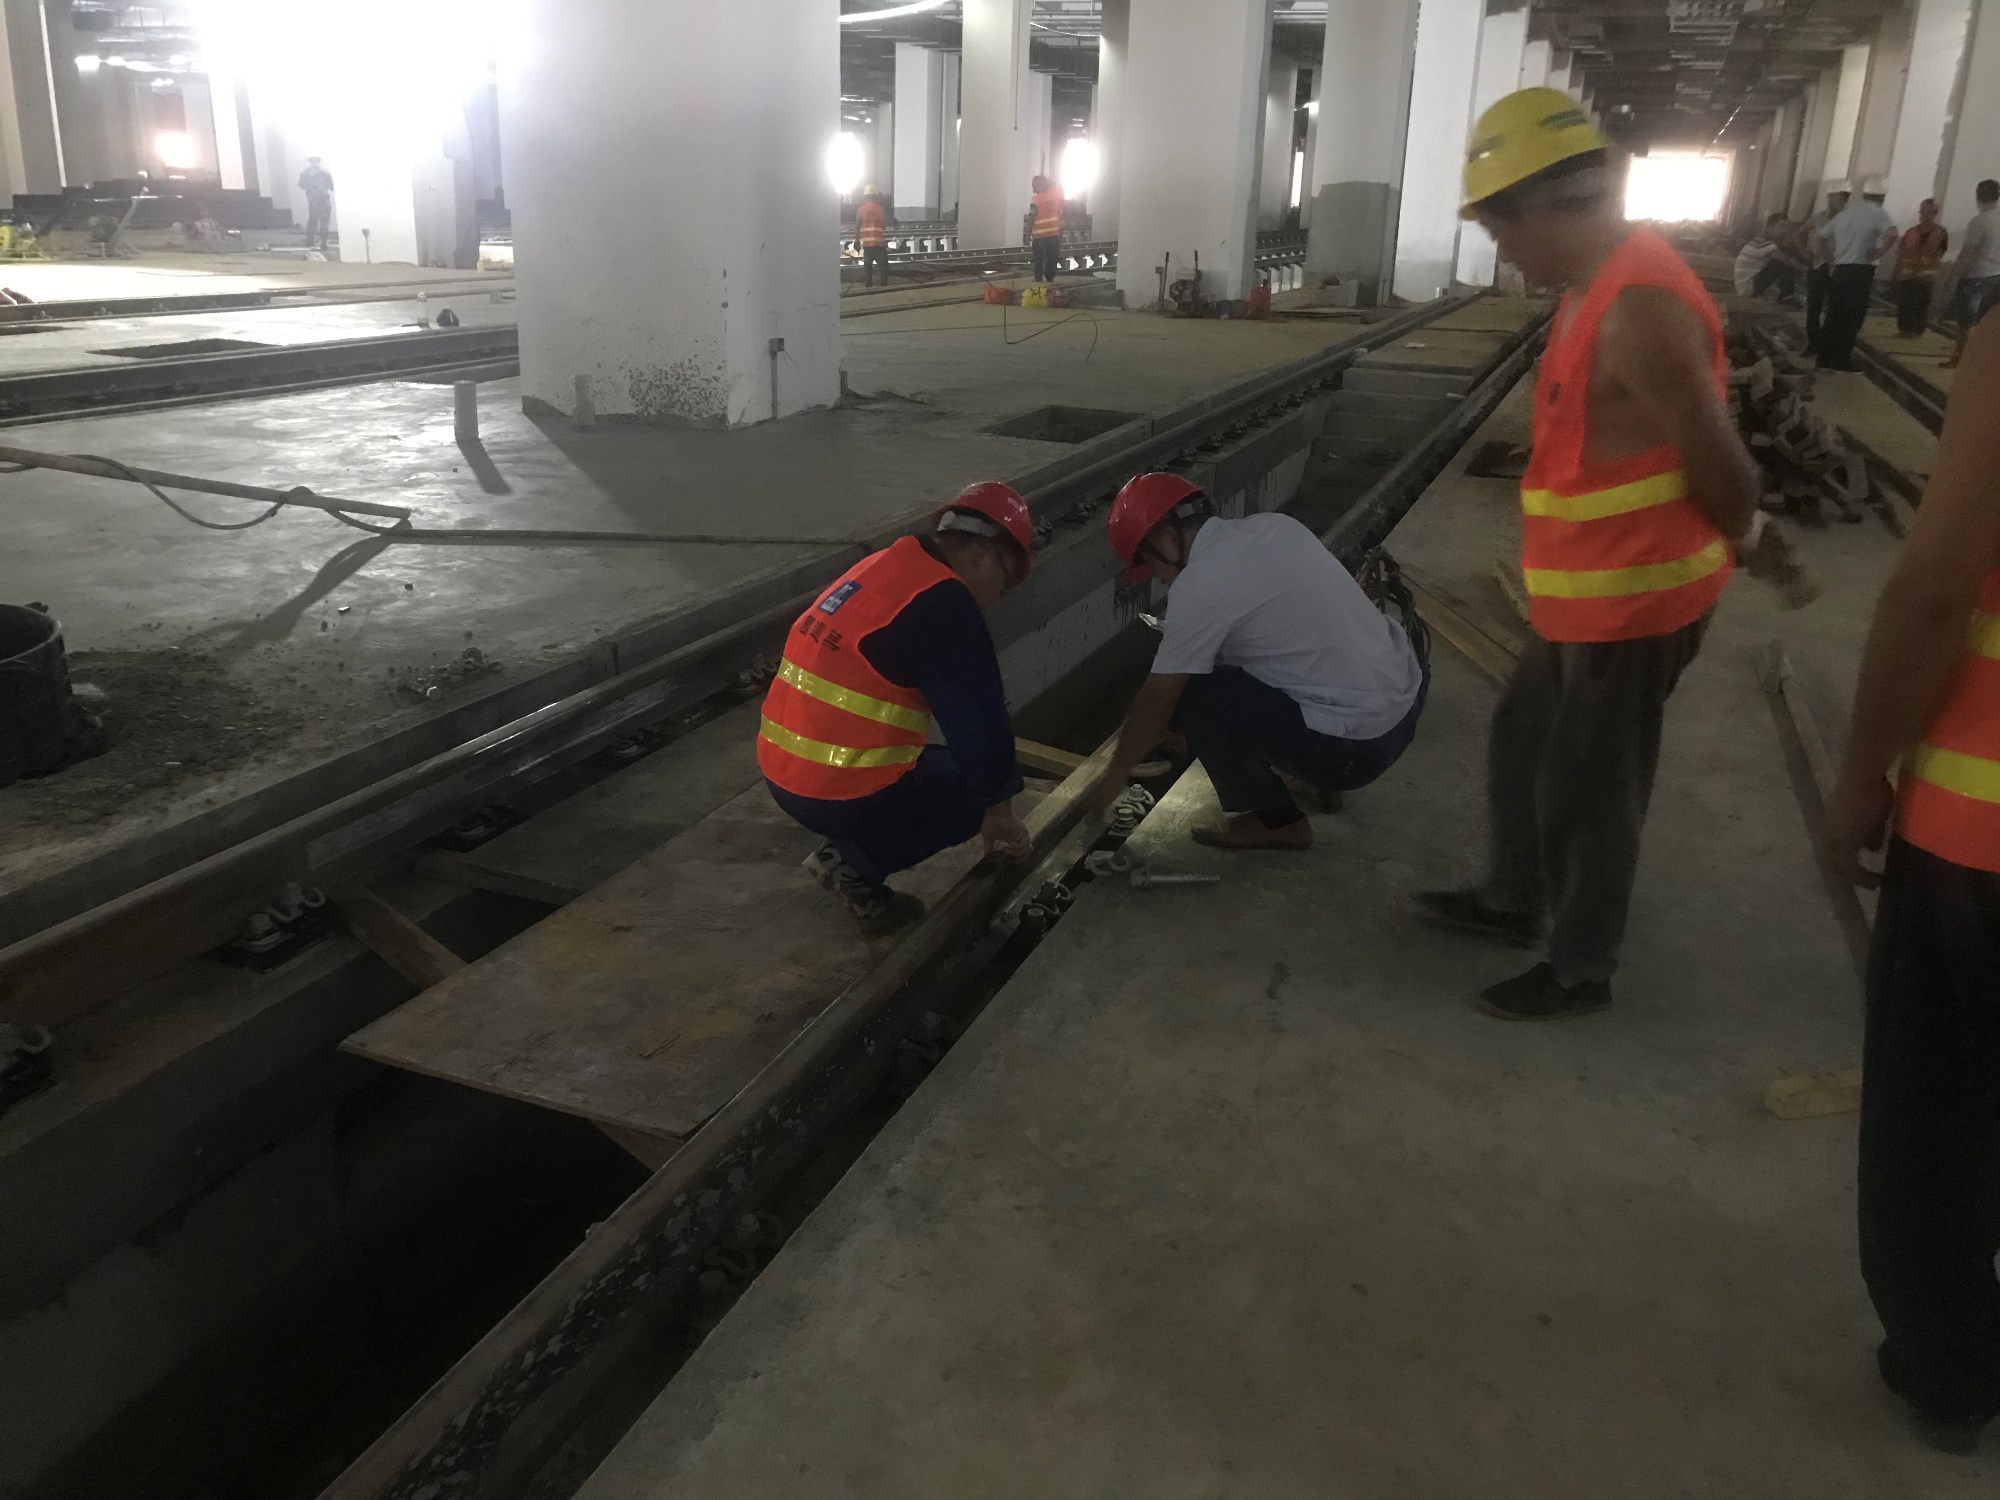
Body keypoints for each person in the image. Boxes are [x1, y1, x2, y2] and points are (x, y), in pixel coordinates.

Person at [1415, 87, 1812, 1020]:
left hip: (1634, 600)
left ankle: (1580, 967)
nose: (1503, 250)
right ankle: (1515, 897)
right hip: (1580, 594)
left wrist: (1756, 541)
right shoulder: (1590, 289)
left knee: (1590, 786)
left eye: (1503, 229)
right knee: (1523, 741)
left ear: (1554, 206)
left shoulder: (1640, 309)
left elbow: (1725, 469)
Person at [1824, 314, 2000, 1455]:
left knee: (1936, 1130)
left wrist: (1859, 774)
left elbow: (1938, 585)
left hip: (1982, 841)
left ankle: (1950, 1367)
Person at [1084, 474, 1427, 849]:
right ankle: (1319, 780)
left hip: (1356, 753)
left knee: (1191, 693)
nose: (1161, 578)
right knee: (1258, 657)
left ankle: (1274, 821)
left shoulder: (1200, 585)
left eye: (1152, 562)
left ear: (1168, 536)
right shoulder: (1276, 527)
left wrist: (1112, 778)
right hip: (1404, 711)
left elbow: (1158, 699)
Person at [759, 484, 1037, 936]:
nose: (994, 599)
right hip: (832, 789)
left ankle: (854, 836)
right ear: (982, 556)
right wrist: (1000, 810)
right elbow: (979, 724)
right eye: (1002, 584)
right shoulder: (944, 602)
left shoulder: (887, 563)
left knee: (940, 764)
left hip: (782, 770)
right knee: (973, 792)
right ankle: (854, 864)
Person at [1812, 177, 1898, 371]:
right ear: (1882, 197)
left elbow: (1819, 238)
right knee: (1852, 318)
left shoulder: (1846, 213)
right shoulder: (1877, 212)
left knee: (1834, 315)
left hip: (1840, 270)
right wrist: (1879, 252)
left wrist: (1830, 259)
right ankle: (1842, 360)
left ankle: (1824, 360)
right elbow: (1892, 233)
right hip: (1860, 272)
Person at [1943, 178, 2000, 369]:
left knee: (1967, 323)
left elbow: (1968, 252)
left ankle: (1960, 359)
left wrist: (1953, 275)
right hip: (1997, 277)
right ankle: (1982, 361)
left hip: (1976, 277)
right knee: (1988, 323)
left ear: (1978, 196)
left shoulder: (1979, 221)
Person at [1803, 184, 1850, 355]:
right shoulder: (1819, 218)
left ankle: (1828, 344)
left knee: (1835, 308)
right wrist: (1805, 253)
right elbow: (1798, 233)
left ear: (1844, 199)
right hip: (1818, 266)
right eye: (1829, 197)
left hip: (1839, 268)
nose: (1830, 201)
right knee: (1813, 307)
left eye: (1834, 198)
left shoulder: (1850, 221)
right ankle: (1813, 343)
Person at [1892, 198, 1949, 337]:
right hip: (1907, 276)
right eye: (1922, 212)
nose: (1924, 215)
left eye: (1928, 212)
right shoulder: (1910, 232)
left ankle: (1917, 331)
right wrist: (1895, 274)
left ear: (1934, 214)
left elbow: (1939, 253)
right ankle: (1904, 330)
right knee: (1905, 305)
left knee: (1921, 305)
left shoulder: (1940, 233)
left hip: (1925, 278)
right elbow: (1901, 253)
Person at [1732, 213, 1799, 303]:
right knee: (1780, 263)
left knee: (1783, 261)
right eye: (1781, 226)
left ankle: (1786, 297)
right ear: (1769, 228)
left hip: (1745, 286)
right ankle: (1787, 298)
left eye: (1787, 227)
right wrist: (1807, 270)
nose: (1784, 230)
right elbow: (1786, 260)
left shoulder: (1760, 241)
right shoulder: (1763, 243)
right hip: (1747, 287)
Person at [1029, 174, 1063, 284]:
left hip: (1039, 235)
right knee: (1052, 257)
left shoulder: (1035, 200)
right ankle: (1050, 278)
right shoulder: (1055, 195)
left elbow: (1031, 217)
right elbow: (1059, 188)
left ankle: (1038, 277)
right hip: (1053, 234)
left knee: (1039, 258)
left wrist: (1029, 232)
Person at [855, 184, 890, 289]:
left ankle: (868, 287)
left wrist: (856, 241)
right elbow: (885, 224)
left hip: (867, 245)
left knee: (868, 269)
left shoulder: (860, 210)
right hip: (879, 244)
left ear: (865, 197)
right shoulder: (880, 209)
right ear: (876, 197)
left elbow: (857, 226)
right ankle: (883, 286)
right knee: (883, 267)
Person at [297, 156, 334, 253]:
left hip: (316, 198)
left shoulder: (306, 173)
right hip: (321, 198)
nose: (315, 163)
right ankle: (321, 242)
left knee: (316, 220)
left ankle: (315, 241)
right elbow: (332, 186)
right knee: (321, 220)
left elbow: (301, 185)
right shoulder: (325, 173)